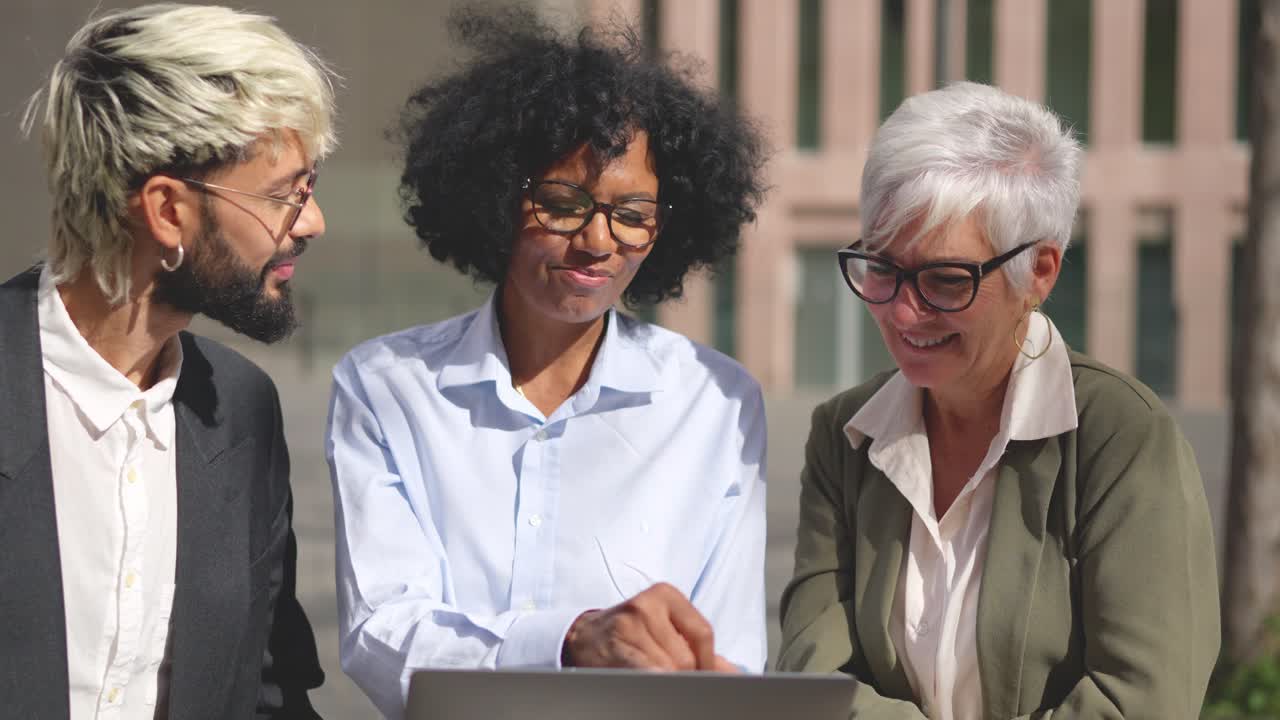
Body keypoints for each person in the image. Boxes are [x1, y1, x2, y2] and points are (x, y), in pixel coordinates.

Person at [324, 7, 769, 718]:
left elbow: (729, 656)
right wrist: (569, 641)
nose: (598, 240)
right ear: (499, 197)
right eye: (562, 203)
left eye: (633, 213)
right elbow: (382, 636)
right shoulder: (386, 387)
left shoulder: (716, 403)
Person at [776, 81, 1220, 719]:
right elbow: (813, 674)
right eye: (881, 266)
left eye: (946, 279)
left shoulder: (1120, 435)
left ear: (1039, 271)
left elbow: (1142, 700)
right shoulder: (844, 435)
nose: (904, 309)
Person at [0, 5, 336, 718]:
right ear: (167, 210)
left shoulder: (240, 407)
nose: (311, 222)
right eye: (285, 195)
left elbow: (268, 693)